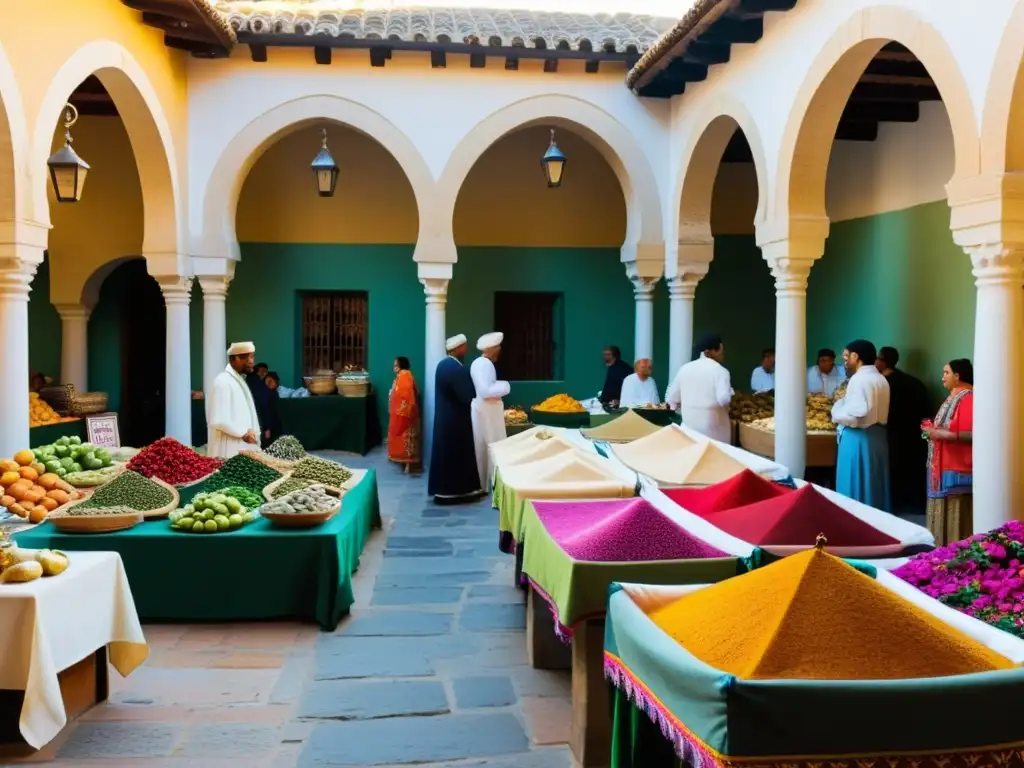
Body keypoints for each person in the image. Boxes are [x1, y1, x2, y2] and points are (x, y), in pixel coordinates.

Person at [831, 339, 891, 511]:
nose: (844, 361)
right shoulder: (881, 379)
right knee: (874, 485)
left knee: (854, 485)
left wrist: (836, 412)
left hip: (858, 438)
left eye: (846, 357)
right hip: (878, 438)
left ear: (856, 356)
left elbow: (856, 415)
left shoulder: (858, 379)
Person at [923, 359, 974, 545]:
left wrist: (937, 433)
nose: (942, 377)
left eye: (946, 372)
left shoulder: (968, 398)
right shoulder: (954, 397)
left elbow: (972, 434)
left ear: (957, 376)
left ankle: (954, 553)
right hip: (942, 465)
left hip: (956, 466)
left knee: (955, 513)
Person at [428, 334, 483, 504]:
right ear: (458, 348)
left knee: (447, 455)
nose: (466, 349)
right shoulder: (455, 369)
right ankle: (457, 491)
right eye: (465, 346)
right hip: (455, 421)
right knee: (457, 455)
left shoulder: (443, 365)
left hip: (446, 419)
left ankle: (447, 490)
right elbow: (467, 395)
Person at [876, 346, 931, 513]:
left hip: (892, 435)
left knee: (894, 471)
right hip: (915, 436)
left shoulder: (881, 385)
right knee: (912, 472)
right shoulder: (915, 383)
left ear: (882, 360)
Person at [665, 333, 733, 443]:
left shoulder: (684, 369)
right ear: (716, 349)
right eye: (721, 350)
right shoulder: (721, 371)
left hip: (689, 431)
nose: (722, 354)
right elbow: (724, 399)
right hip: (714, 435)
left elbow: (671, 399)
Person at [207, 341, 262, 459]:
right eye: (249, 358)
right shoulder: (223, 381)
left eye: (253, 357)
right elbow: (218, 419)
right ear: (236, 358)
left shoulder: (238, 381)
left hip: (243, 449)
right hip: (227, 450)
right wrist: (243, 434)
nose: (252, 362)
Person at [470, 332, 510, 490]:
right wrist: (506, 386)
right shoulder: (484, 364)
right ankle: (489, 483)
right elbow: (486, 391)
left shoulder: (480, 363)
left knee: (486, 446)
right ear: (493, 349)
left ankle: (487, 483)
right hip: (487, 412)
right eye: (498, 348)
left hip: (485, 411)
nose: (499, 351)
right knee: (491, 445)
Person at [388, 356, 421, 472]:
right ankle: (403, 462)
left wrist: (402, 412)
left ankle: (408, 464)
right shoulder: (400, 376)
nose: (394, 368)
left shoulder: (405, 375)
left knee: (406, 439)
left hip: (405, 415)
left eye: (396, 365)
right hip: (399, 413)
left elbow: (406, 396)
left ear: (401, 365)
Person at [247, 361, 272, 447]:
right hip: (258, 423)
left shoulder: (244, 383)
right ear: (262, 371)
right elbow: (264, 407)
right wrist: (267, 427)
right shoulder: (261, 387)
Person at [263, 371, 284, 444]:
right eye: (269, 380)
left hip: (275, 423)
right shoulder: (265, 393)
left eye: (272, 381)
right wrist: (267, 428)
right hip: (269, 424)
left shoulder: (274, 393)